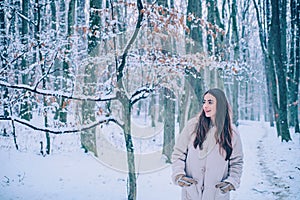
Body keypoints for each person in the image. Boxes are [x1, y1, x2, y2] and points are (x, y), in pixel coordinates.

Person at [171, 88, 243, 200]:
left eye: (210, 102)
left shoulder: (232, 133)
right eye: (204, 102)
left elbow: (236, 162)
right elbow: (178, 154)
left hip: (217, 195)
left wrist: (231, 182)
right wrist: (179, 175)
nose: (205, 106)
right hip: (191, 194)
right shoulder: (192, 126)